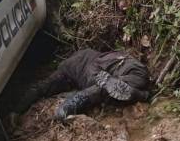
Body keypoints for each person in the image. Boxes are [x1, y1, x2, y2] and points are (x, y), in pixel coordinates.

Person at [17, 49, 151, 120]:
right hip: (122, 63)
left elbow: (96, 90)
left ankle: (142, 95)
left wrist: (67, 107)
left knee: (106, 88)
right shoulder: (69, 69)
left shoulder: (69, 68)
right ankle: (143, 95)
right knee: (131, 81)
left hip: (112, 65)